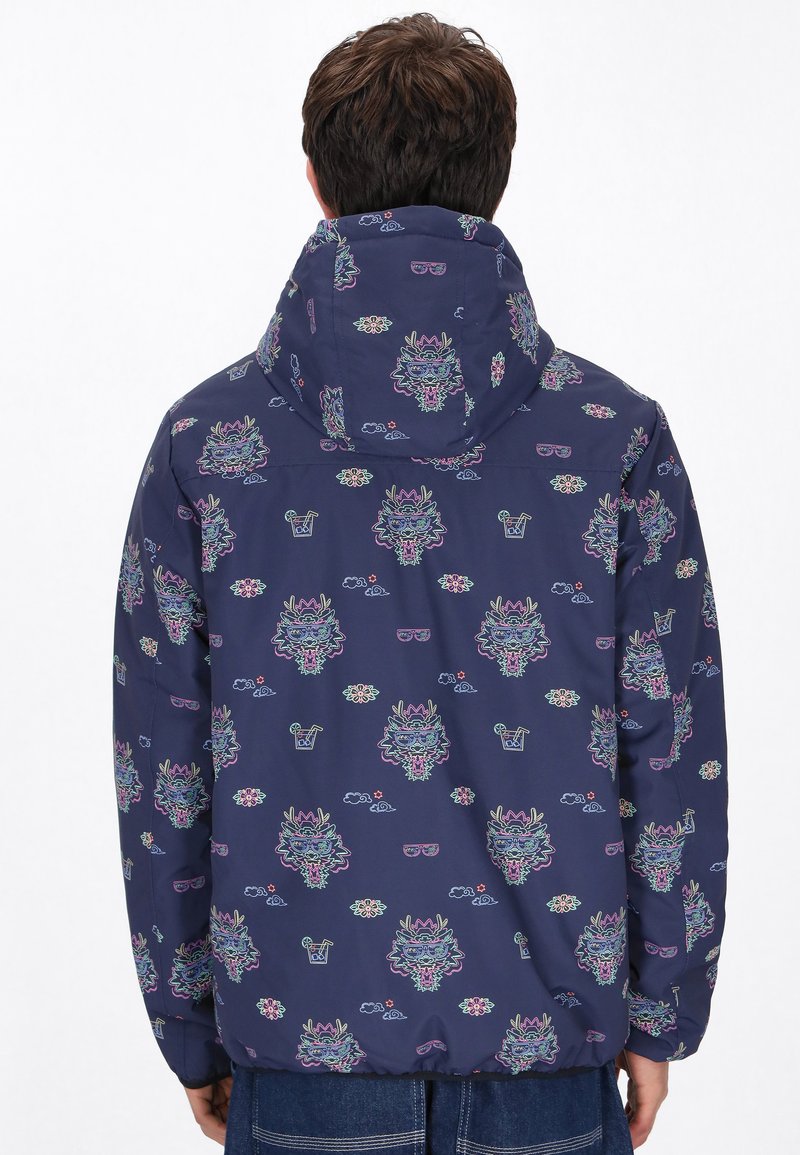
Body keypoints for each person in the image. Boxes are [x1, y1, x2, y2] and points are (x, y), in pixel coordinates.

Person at [110, 12, 728, 1153]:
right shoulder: (613, 440)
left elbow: (163, 772)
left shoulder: (208, 446)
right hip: (548, 1067)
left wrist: (189, 1027)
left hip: (302, 1060)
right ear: (499, 177)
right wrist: (660, 1015)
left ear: (315, 181)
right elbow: (673, 749)